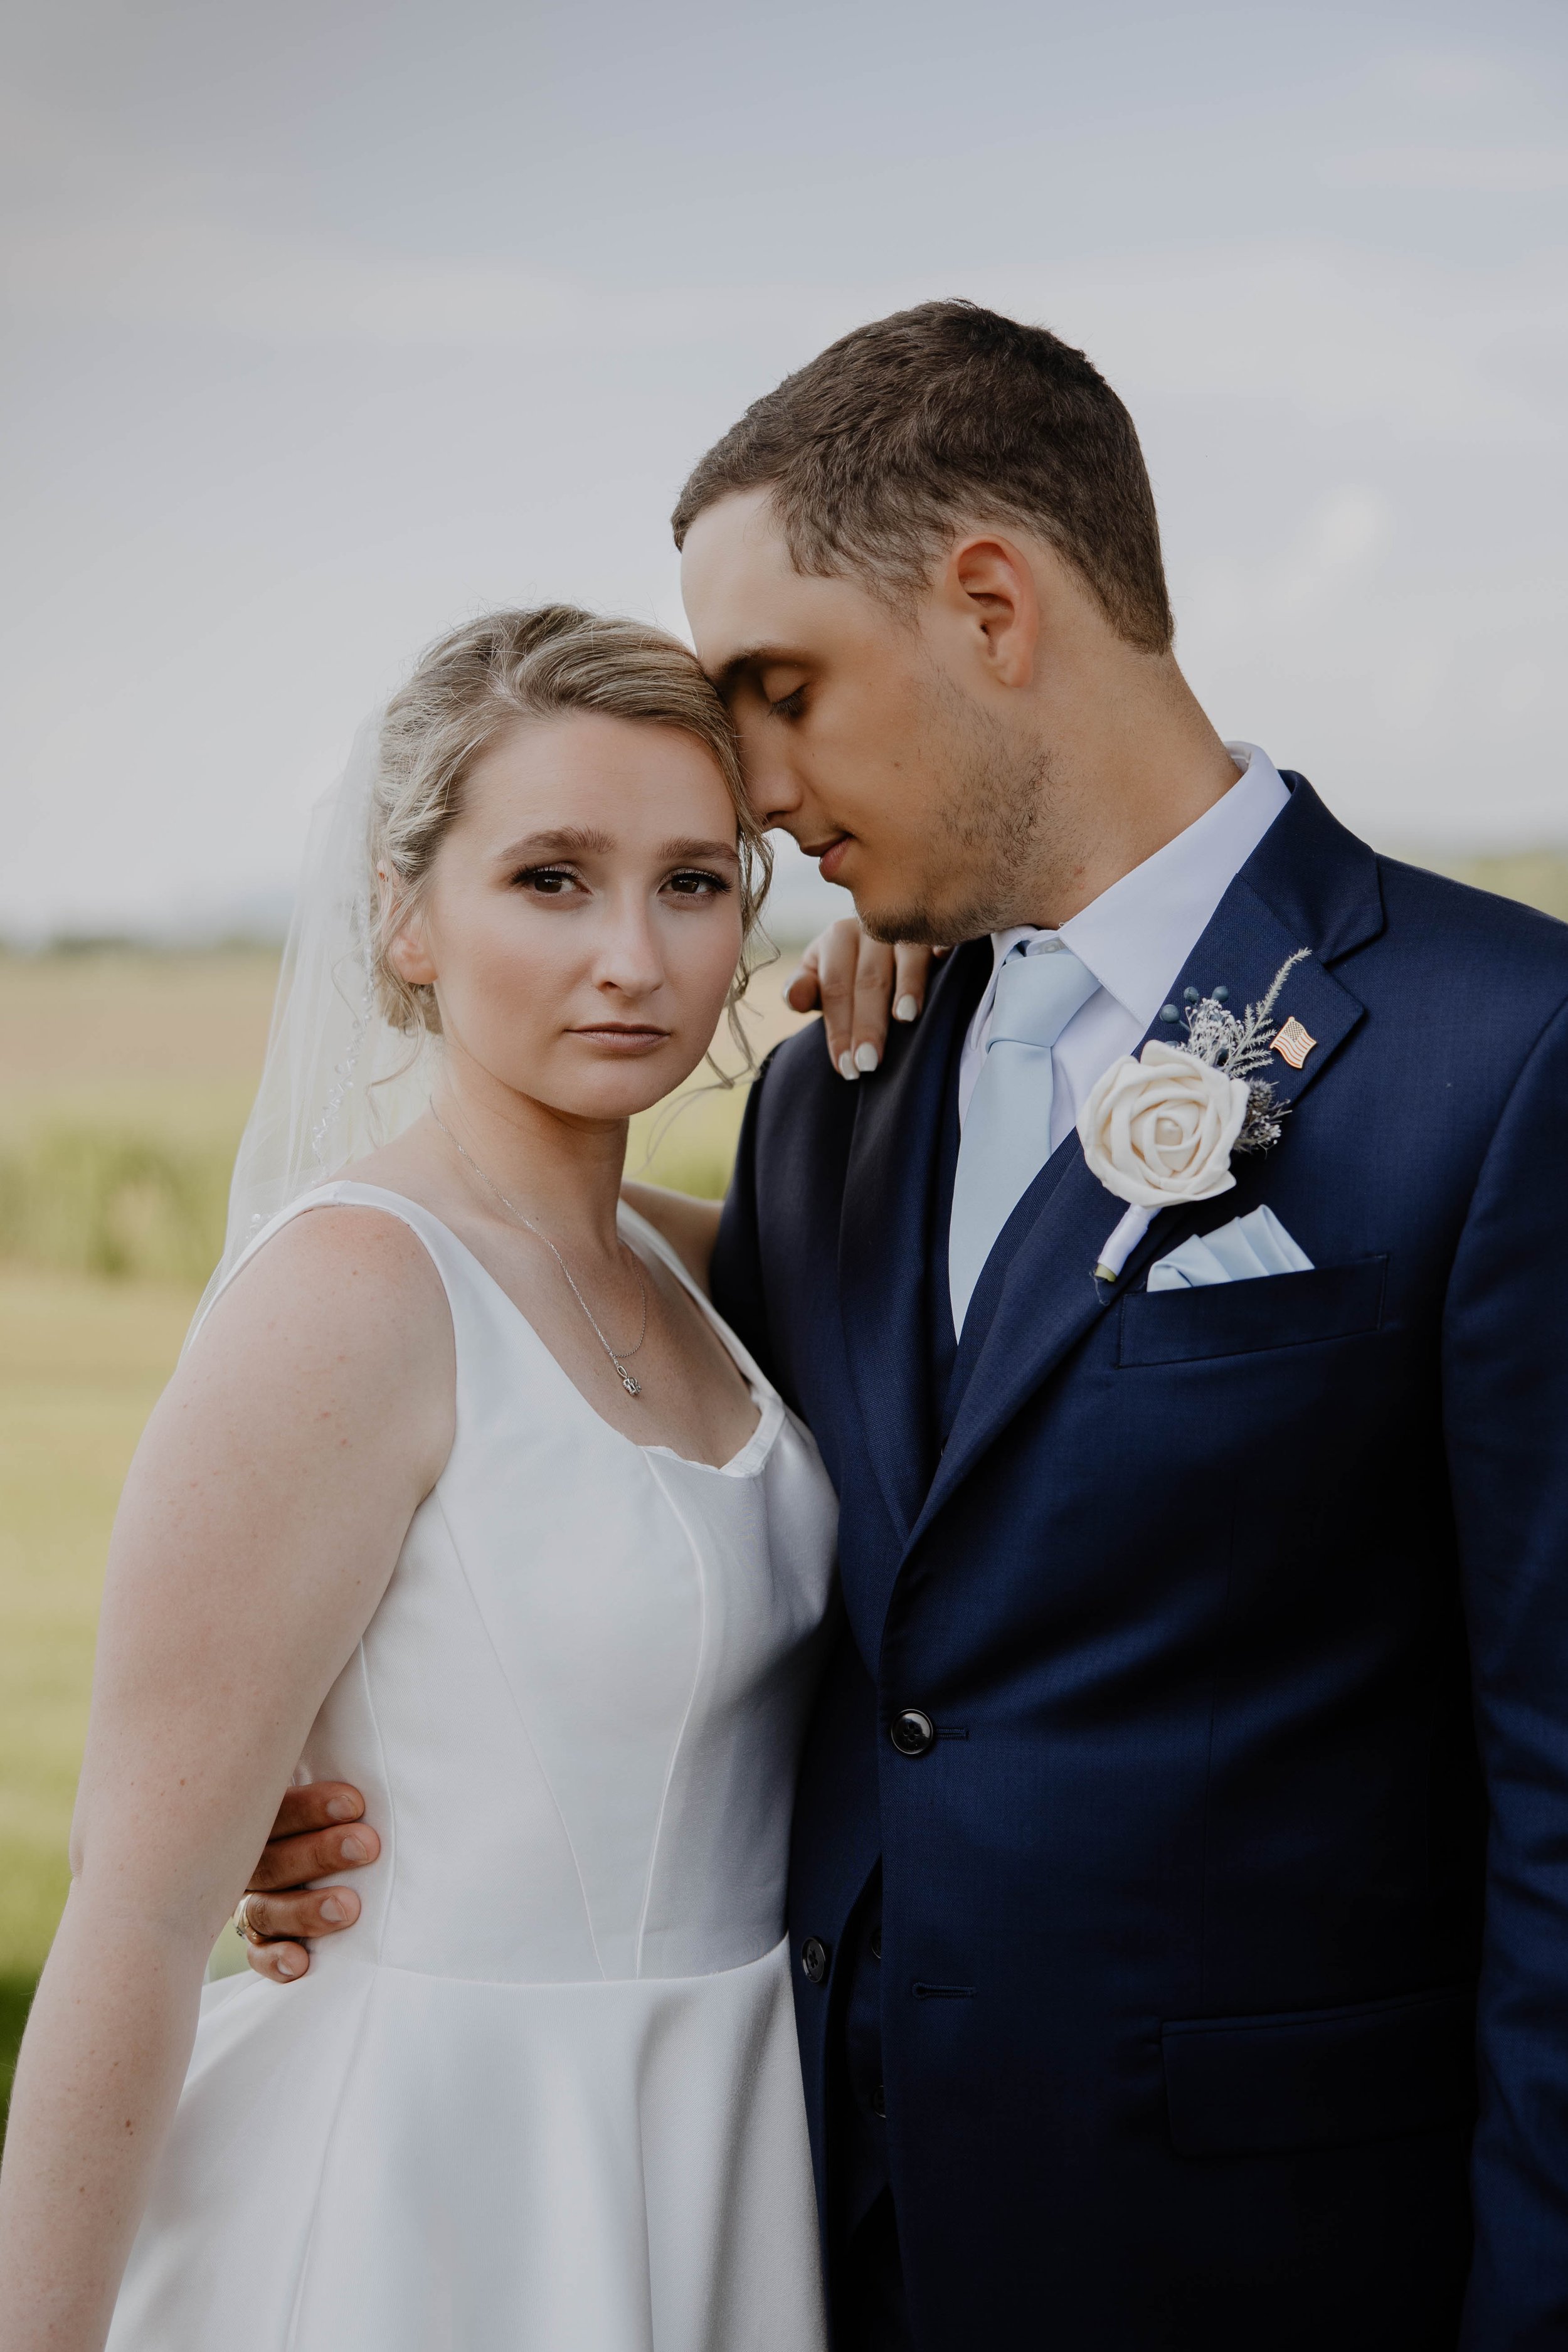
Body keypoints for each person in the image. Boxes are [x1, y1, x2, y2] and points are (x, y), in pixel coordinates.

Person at [249, 302, 1568, 2350]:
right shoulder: (830, 1098)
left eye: (778, 692)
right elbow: (641, 1421)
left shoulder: (1502, 1054)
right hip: (796, 2237)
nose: (754, 794)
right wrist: (361, 1763)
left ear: (987, 602)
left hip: (1282, 2270)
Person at [0, 607, 838, 2352]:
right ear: (403, 917)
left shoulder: (707, 1266)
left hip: (729, 2132)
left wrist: (913, 968)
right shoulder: (354, 1295)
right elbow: (141, 1916)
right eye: (550, 878)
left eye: (693, 882)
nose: (633, 955)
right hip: (435, 2179)